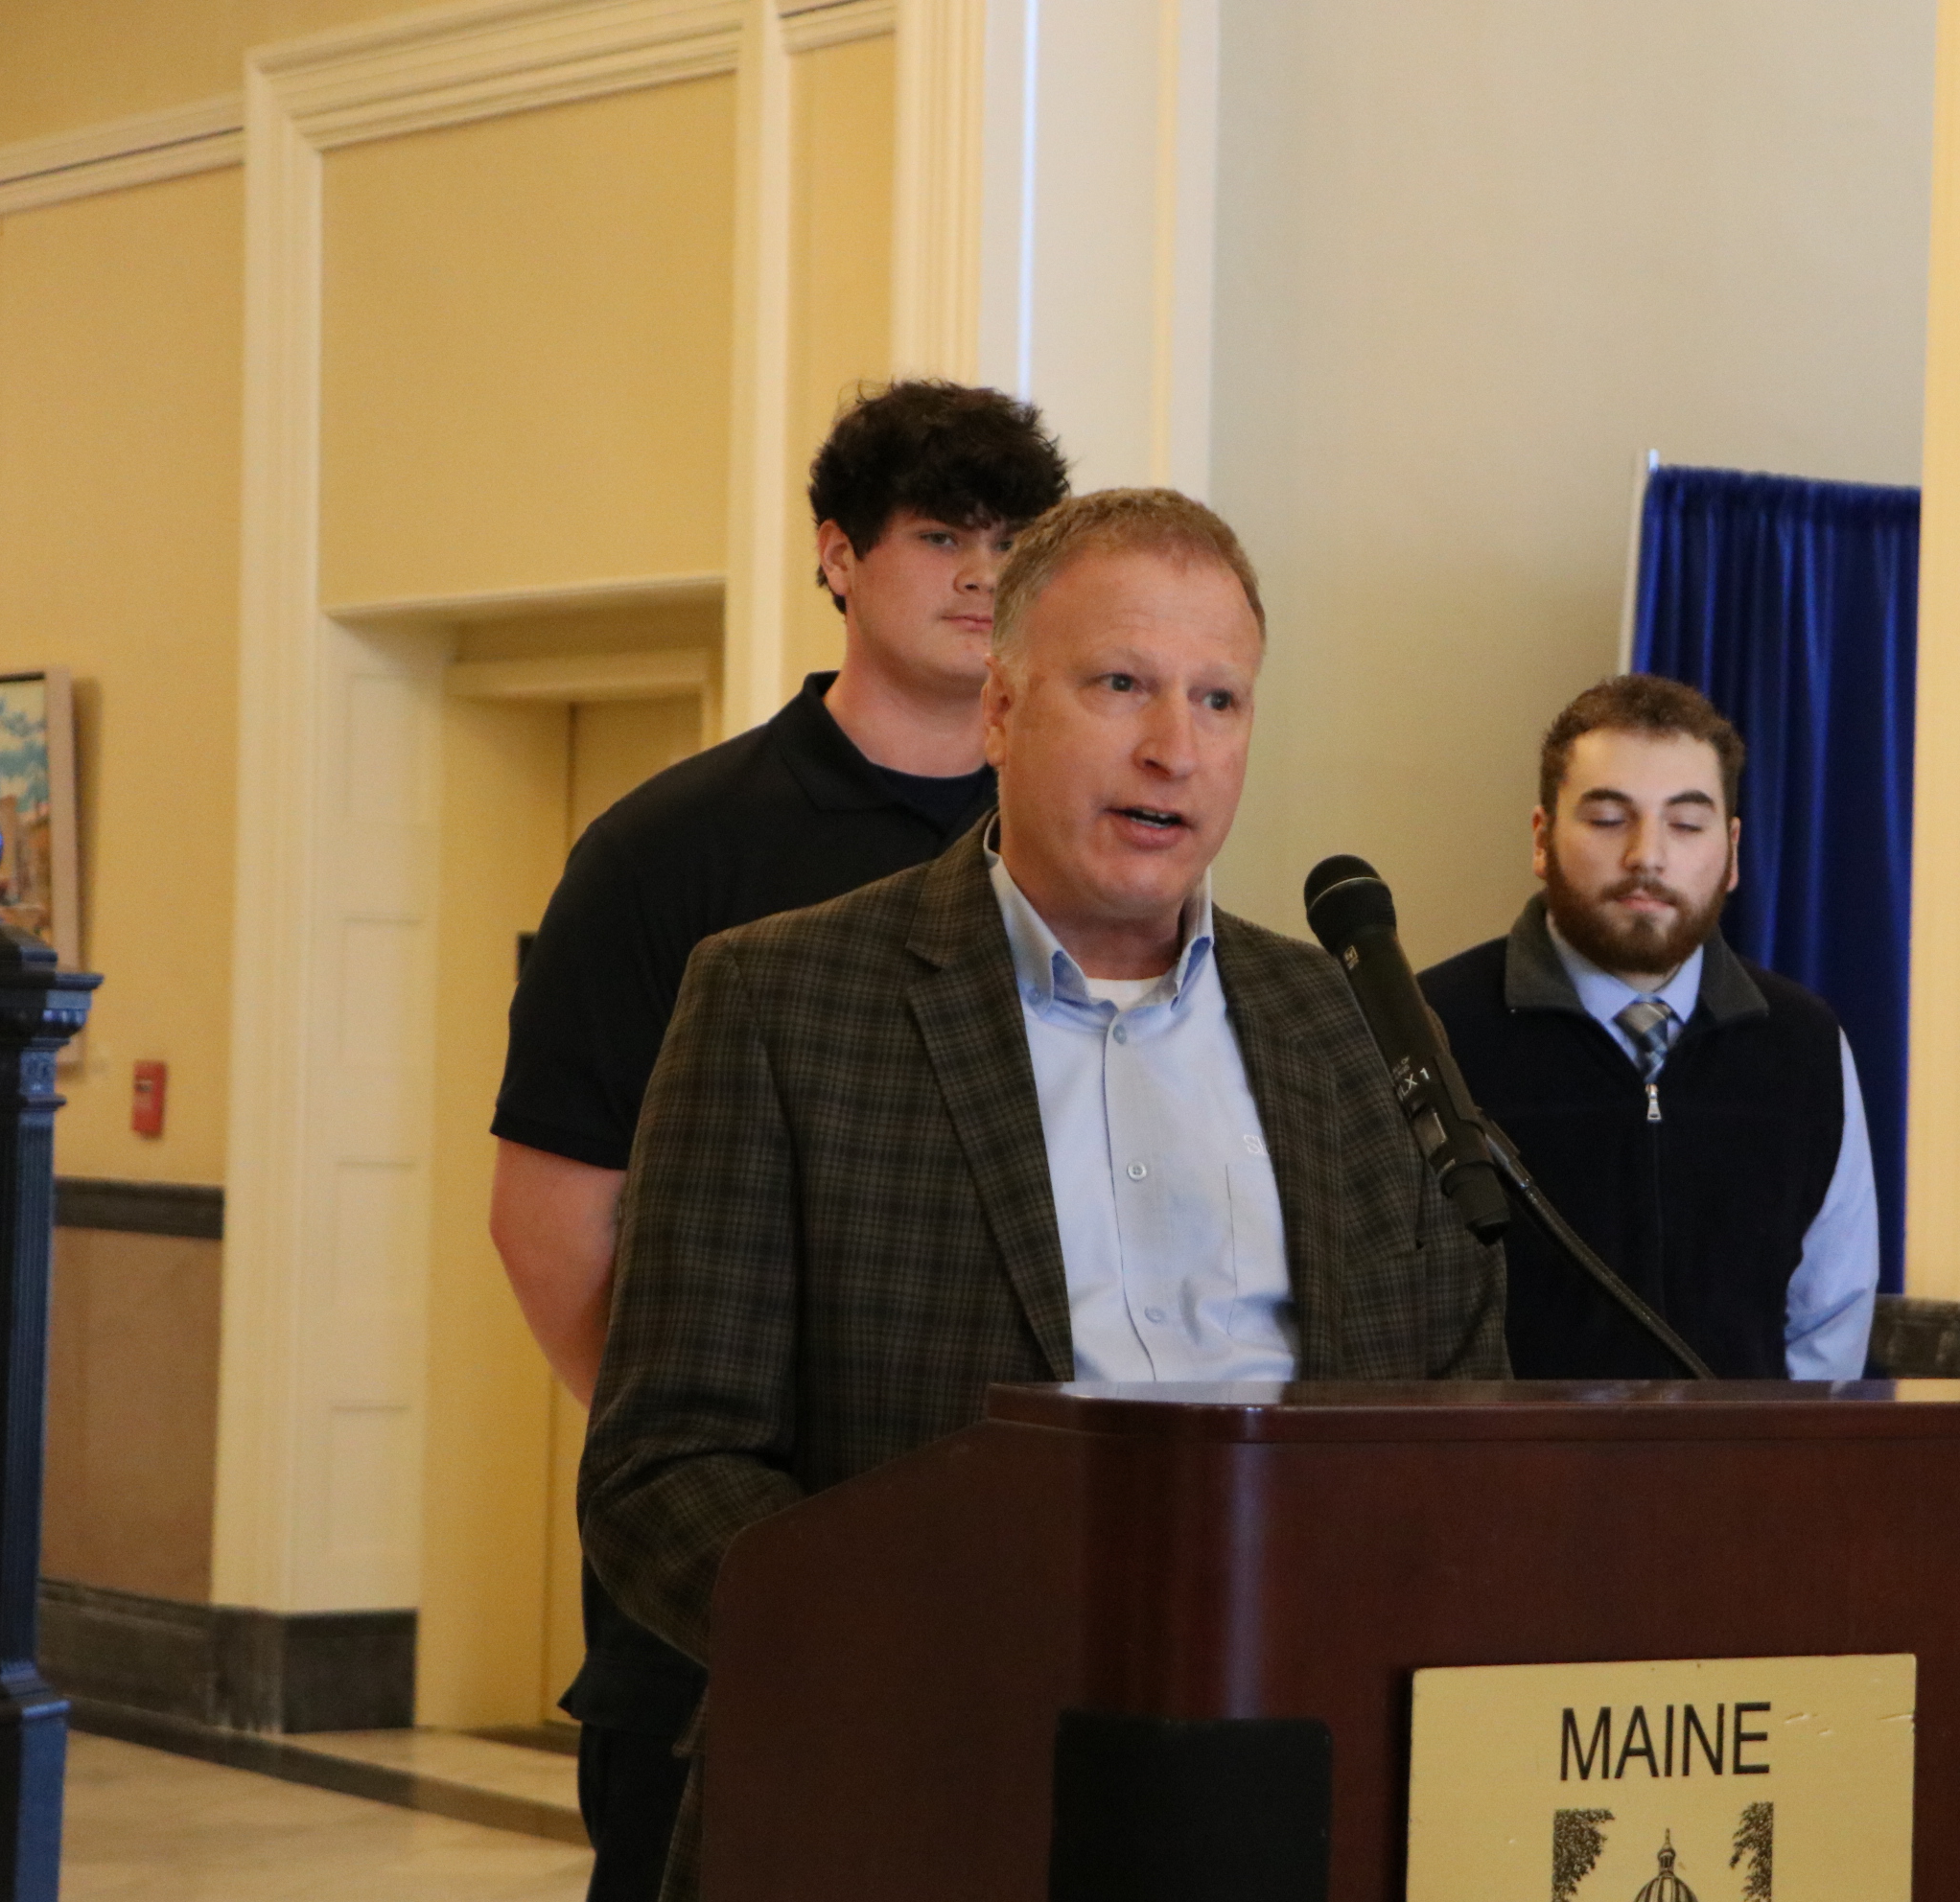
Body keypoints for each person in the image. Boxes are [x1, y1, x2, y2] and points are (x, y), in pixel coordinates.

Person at [577, 488, 1508, 1895]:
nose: (1173, 746)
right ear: (1002, 711)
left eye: (1219, 699)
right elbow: (661, 1469)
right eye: (1120, 684)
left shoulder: (1352, 1025)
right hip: (914, 1786)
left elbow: (1463, 1411)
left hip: (1306, 1783)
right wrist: (931, 1653)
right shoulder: (781, 1001)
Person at [488, 379, 1067, 1901]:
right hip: (726, 1592)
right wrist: (700, 1461)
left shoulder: (1080, 847)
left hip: (1025, 1579)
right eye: (939, 536)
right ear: (837, 554)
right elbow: (549, 1219)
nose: (981, 577)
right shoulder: (670, 849)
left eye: (1012, 543)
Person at [1417, 675, 1878, 1380]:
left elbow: (1828, 1319)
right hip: (1498, 1451)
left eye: (1686, 824)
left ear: (1731, 852)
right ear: (1542, 839)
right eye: (1608, 819)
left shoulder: (1803, 1043)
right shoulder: (1429, 1031)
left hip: (1739, 1451)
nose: (1647, 855)